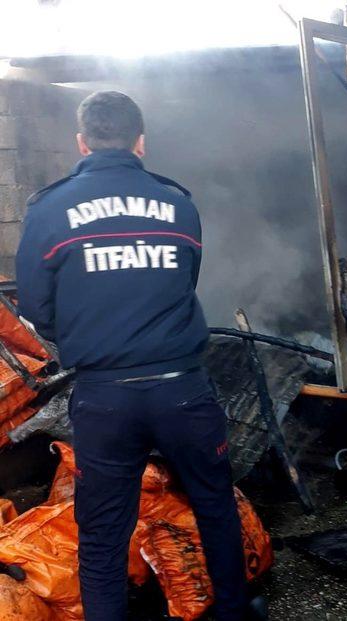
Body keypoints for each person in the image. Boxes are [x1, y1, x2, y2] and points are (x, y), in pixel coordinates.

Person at [16, 91, 259, 621]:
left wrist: (89, 333)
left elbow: (35, 308)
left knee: (103, 529)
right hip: (182, 388)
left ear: (80, 142)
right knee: (215, 506)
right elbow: (183, 280)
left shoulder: (50, 209)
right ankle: (235, 614)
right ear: (141, 142)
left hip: (105, 398)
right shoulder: (179, 204)